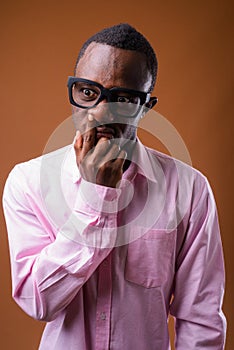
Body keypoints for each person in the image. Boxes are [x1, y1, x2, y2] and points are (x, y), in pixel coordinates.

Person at [3, 23, 226, 349]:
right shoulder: (27, 183)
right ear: (74, 92)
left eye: (123, 98)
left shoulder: (190, 190)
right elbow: (40, 303)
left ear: (145, 107)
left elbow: (200, 319)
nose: (101, 113)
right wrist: (95, 197)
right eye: (88, 92)